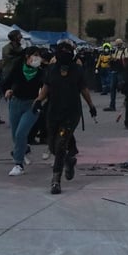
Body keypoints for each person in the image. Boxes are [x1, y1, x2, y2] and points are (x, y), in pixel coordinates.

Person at [34, 39, 97, 194]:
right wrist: (38, 101)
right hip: (53, 112)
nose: (64, 54)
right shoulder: (51, 69)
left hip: (71, 113)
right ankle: (69, 161)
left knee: (61, 144)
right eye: (61, 51)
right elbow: (46, 87)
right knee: (53, 146)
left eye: (67, 51)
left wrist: (91, 106)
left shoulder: (77, 70)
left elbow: (84, 89)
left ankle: (56, 180)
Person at [4, 47, 46, 176]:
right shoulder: (17, 67)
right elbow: (6, 82)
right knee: (15, 135)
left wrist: (41, 99)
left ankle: (18, 164)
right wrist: (7, 90)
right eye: (35, 55)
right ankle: (23, 150)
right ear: (27, 57)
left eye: (39, 56)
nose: (37, 58)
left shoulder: (41, 72)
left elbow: (47, 86)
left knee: (21, 133)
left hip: (31, 105)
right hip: (15, 103)